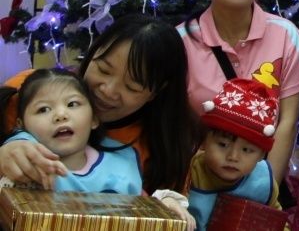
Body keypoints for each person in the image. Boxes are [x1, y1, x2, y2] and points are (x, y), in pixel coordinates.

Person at [178, 0, 299, 184]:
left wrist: (265, 189)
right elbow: (174, 126)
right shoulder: (181, 41)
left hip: (260, 177)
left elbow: (287, 122)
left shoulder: (286, 35)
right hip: (195, 181)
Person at [0, 14, 196, 193]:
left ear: (156, 92)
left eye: (131, 87)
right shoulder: (28, 91)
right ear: (92, 53)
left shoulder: (163, 146)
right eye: (103, 69)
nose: (108, 91)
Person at [0, 68, 140, 194]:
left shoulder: (121, 166)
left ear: (94, 119)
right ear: (21, 126)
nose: (61, 115)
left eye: (72, 104)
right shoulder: (19, 160)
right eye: (43, 109)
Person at [188, 78, 282, 230]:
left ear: (261, 155)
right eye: (223, 145)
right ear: (204, 141)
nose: (233, 157)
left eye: (247, 150)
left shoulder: (264, 182)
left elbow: (276, 222)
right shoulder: (188, 173)